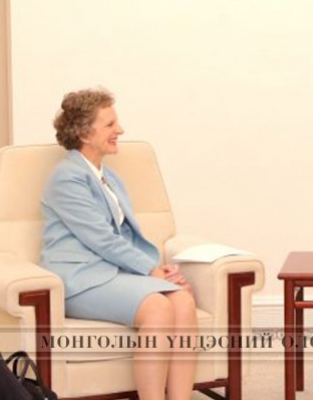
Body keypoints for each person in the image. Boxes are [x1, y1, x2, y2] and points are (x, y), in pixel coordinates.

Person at [40, 88, 197, 400]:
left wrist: (159, 269)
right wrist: (151, 272)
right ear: (84, 133)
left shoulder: (108, 177)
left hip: (111, 273)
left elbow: (124, 237)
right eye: (110, 124)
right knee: (158, 309)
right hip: (81, 279)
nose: (120, 130)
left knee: (182, 302)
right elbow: (102, 239)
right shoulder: (67, 178)